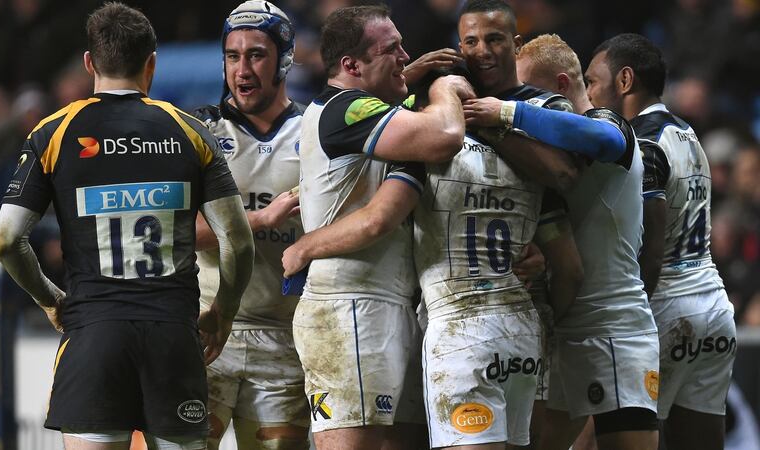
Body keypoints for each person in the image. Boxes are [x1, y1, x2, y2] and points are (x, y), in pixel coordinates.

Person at [0, 3, 254, 449]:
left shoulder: (54, 132)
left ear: (90, 62)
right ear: (152, 63)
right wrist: (222, 313)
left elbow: (6, 239)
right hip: (173, 336)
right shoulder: (190, 131)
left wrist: (50, 299)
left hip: (94, 334)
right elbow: (238, 243)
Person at [280, 5, 475, 449]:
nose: (406, 55)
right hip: (349, 307)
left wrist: (408, 76)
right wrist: (444, 86)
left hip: (382, 303)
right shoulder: (346, 109)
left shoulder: (355, 108)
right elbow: (443, 134)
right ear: (351, 66)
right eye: (393, 49)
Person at [405, 64, 584, 449]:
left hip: (459, 330)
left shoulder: (421, 149)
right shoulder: (526, 162)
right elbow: (569, 264)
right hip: (522, 330)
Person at [510, 32, 661, 450]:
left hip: (613, 328)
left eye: (529, 93)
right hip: (565, 329)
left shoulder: (607, 124)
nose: (524, 102)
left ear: (560, 87)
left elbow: (602, 141)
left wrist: (507, 113)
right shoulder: (554, 156)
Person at [585, 33, 736, 450]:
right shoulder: (687, 132)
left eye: (593, 81)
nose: (588, 93)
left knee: (600, 440)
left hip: (665, 310)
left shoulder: (643, 142)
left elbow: (649, 256)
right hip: (714, 307)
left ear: (625, 80)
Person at [190, 1, 309, 449]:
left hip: (284, 338)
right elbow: (176, 230)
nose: (242, 68)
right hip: (203, 328)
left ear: (286, 58)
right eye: (232, 55)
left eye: (257, 54)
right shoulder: (199, 130)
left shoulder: (316, 132)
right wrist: (259, 219)